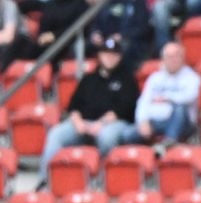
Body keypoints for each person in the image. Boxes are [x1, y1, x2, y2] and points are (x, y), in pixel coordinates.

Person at [43, 36, 137, 166]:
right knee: (56, 134)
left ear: (119, 57)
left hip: (112, 124)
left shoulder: (127, 79)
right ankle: (46, 176)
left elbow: (125, 109)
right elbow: (74, 105)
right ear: (99, 55)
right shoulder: (89, 79)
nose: (109, 57)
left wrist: (100, 124)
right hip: (84, 122)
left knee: (107, 137)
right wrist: (78, 122)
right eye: (106, 53)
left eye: (113, 54)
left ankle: (101, 174)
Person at [132, 42, 201, 146]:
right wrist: (143, 121)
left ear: (182, 58)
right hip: (156, 121)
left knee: (180, 107)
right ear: (163, 59)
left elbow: (189, 97)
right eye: (169, 57)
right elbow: (143, 101)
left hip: (184, 123)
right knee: (128, 134)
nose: (173, 60)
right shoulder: (155, 78)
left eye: (176, 56)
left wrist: (167, 98)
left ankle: (169, 143)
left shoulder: (192, 77)